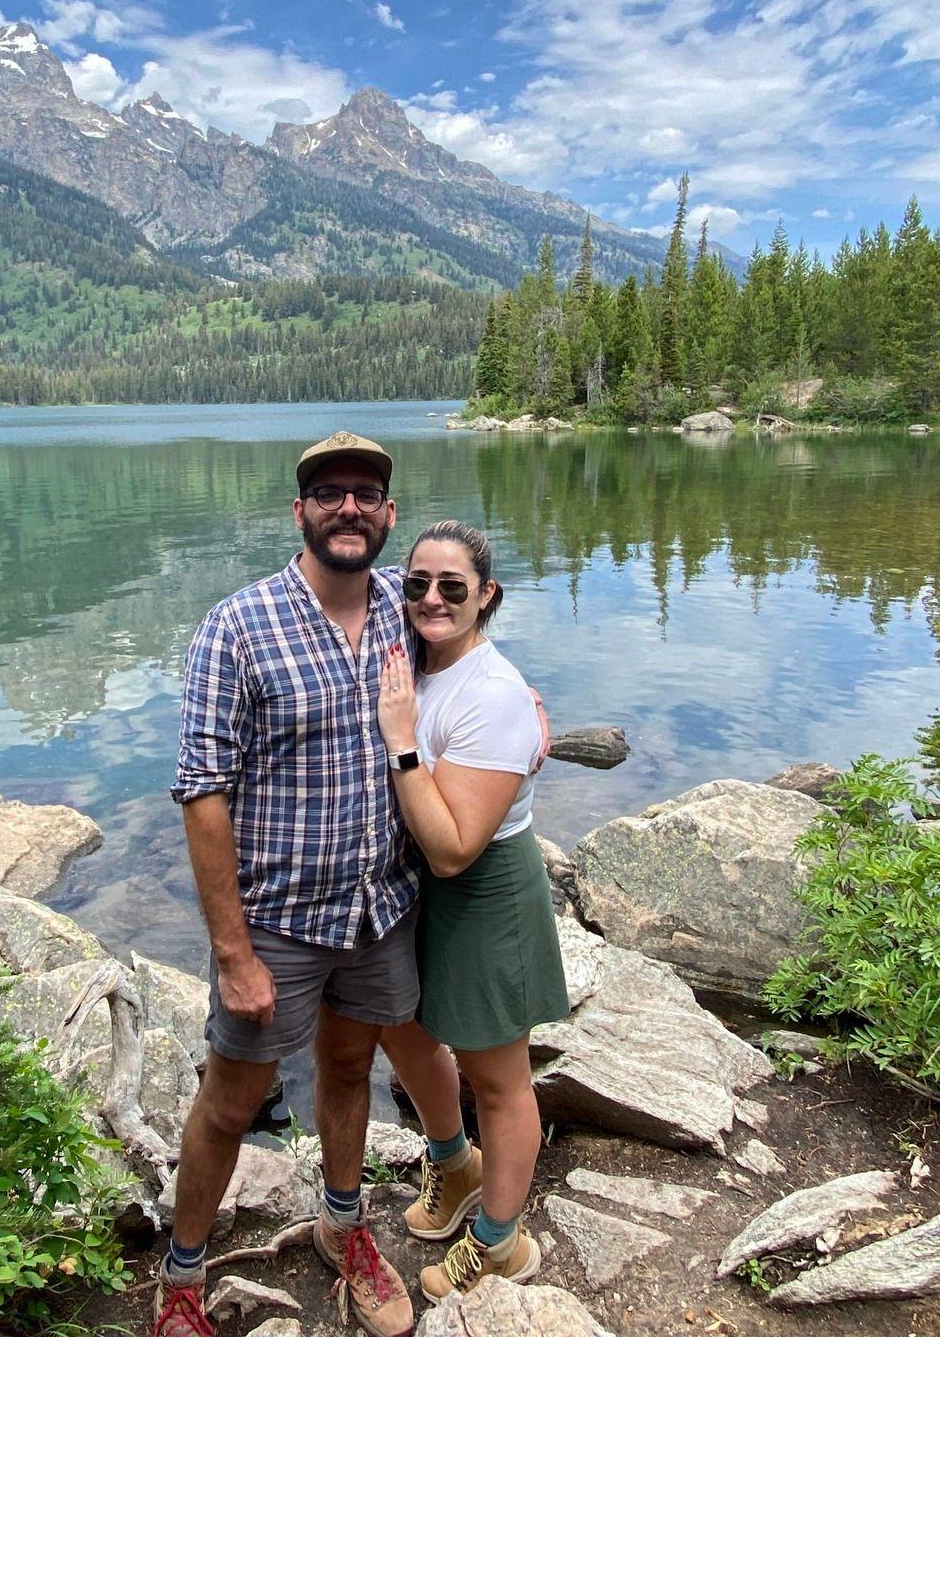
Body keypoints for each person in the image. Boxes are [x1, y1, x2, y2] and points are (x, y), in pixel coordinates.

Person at [156, 430, 470, 1337]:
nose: (348, 508)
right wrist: (231, 952)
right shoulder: (237, 626)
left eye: (365, 494)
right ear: (300, 511)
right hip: (278, 923)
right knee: (231, 1099)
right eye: (328, 493)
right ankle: (181, 1280)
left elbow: (466, 666)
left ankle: (343, 1224)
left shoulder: (407, 614)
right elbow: (203, 793)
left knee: (347, 1066)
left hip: (380, 907)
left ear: (388, 514)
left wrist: (521, 709)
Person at [375, 519, 570, 1300]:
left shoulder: (493, 695)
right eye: (416, 583)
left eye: (452, 587)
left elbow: (456, 846)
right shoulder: (414, 660)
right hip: (416, 889)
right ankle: (456, 1167)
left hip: (484, 890)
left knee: (499, 1076)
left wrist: (401, 743)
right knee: (404, 1028)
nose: (431, 598)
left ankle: (500, 1244)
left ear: (486, 596)